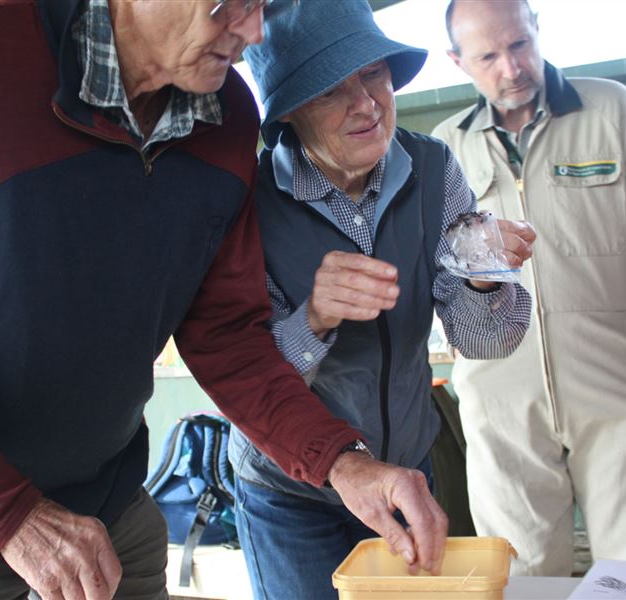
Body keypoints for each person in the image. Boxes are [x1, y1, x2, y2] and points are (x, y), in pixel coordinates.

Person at [0, 1, 449, 598]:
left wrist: (344, 462)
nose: (254, 32)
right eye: (229, 3)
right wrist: (12, 517)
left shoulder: (229, 119)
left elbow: (228, 338)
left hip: (108, 503)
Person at [230, 1, 536, 597]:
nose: (367, 104)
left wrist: (481, 271)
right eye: (329, 91)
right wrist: (313, 318)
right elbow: (244, 380)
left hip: (404, 477)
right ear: (290, 111)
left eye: (374, 73)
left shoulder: (432, 166)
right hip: (291, 492)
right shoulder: (248, 204)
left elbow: (486, 339)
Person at [431, 0, 626, 576]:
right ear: (457, 61)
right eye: (489, 56)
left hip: (618, 376)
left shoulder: (612, 110)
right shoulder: (443, 147)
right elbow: (439, 272)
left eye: (519, 44)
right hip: (499, 392)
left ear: (537, 29)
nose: (511, 68)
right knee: (522, 574)